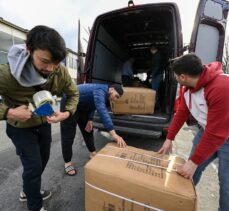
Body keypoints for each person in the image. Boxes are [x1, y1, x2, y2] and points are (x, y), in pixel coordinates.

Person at [0, 25, 79, 211]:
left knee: (42, 162)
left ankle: (27, 190)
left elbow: (73, 93)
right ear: (29, 50)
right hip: (20, 128)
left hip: (44, 124)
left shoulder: (58, 71)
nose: (51, 68)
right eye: (45, 61)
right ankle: (35, 206)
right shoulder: (6, 74)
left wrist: (66, 113)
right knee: (34, 167)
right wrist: (9, 112)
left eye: (56, 63)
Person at [158, 53, 229, 211]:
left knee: (226, 186)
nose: (176, 78)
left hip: (224, 137)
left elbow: (217, 134)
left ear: (183, 76)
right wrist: (170, 138)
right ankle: (182, 203)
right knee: (188, 173)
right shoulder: (188, 87)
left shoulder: (222, 87)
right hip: (207, 132)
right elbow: (182, 111)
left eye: (176, 76)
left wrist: (194, 162)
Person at [60, 83, 127, 176]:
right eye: (116, 96)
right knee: (68, 134)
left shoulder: (103, 94)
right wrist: (114, 134)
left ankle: (92, 152)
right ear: (111, 89)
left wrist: (90, 119)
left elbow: (93, 104)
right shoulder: (100, 91)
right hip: (69, 101)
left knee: (88, 129)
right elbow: (101, 110)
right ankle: (67, 162)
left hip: (82, 106)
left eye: (117, 98)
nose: (115, 99)